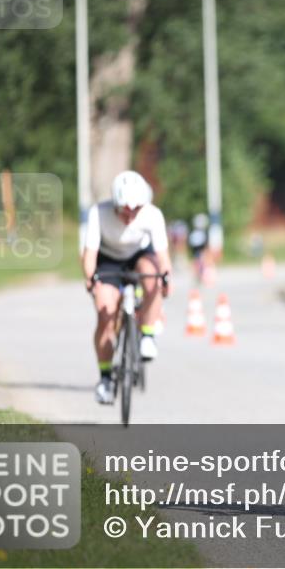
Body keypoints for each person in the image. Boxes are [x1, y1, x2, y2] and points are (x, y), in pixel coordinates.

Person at [82, 171, 171, 404]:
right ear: (115, 204)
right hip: (109, 259)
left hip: (140, 255)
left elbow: (162, 256)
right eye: (125, 209)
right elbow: (89, 253)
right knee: (104, 313)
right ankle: (105, 379)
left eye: (136, 209)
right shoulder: (98, 213)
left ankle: (148, 335)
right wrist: (90, 279)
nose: (130, 215)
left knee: (154, 279)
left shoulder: (152, 215)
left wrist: (166, 278)